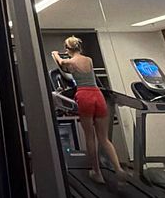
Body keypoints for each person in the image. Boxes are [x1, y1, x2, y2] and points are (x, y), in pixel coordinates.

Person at [52, 35, 125, 185]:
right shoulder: (89, 60)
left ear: (67, 49)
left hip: (84, 95)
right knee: (104, 138)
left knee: (90, 137)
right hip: (97, 94)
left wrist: (55, 54)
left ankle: (96, 172)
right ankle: (118, 169)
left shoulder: (69, 62)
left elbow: (60, 63)